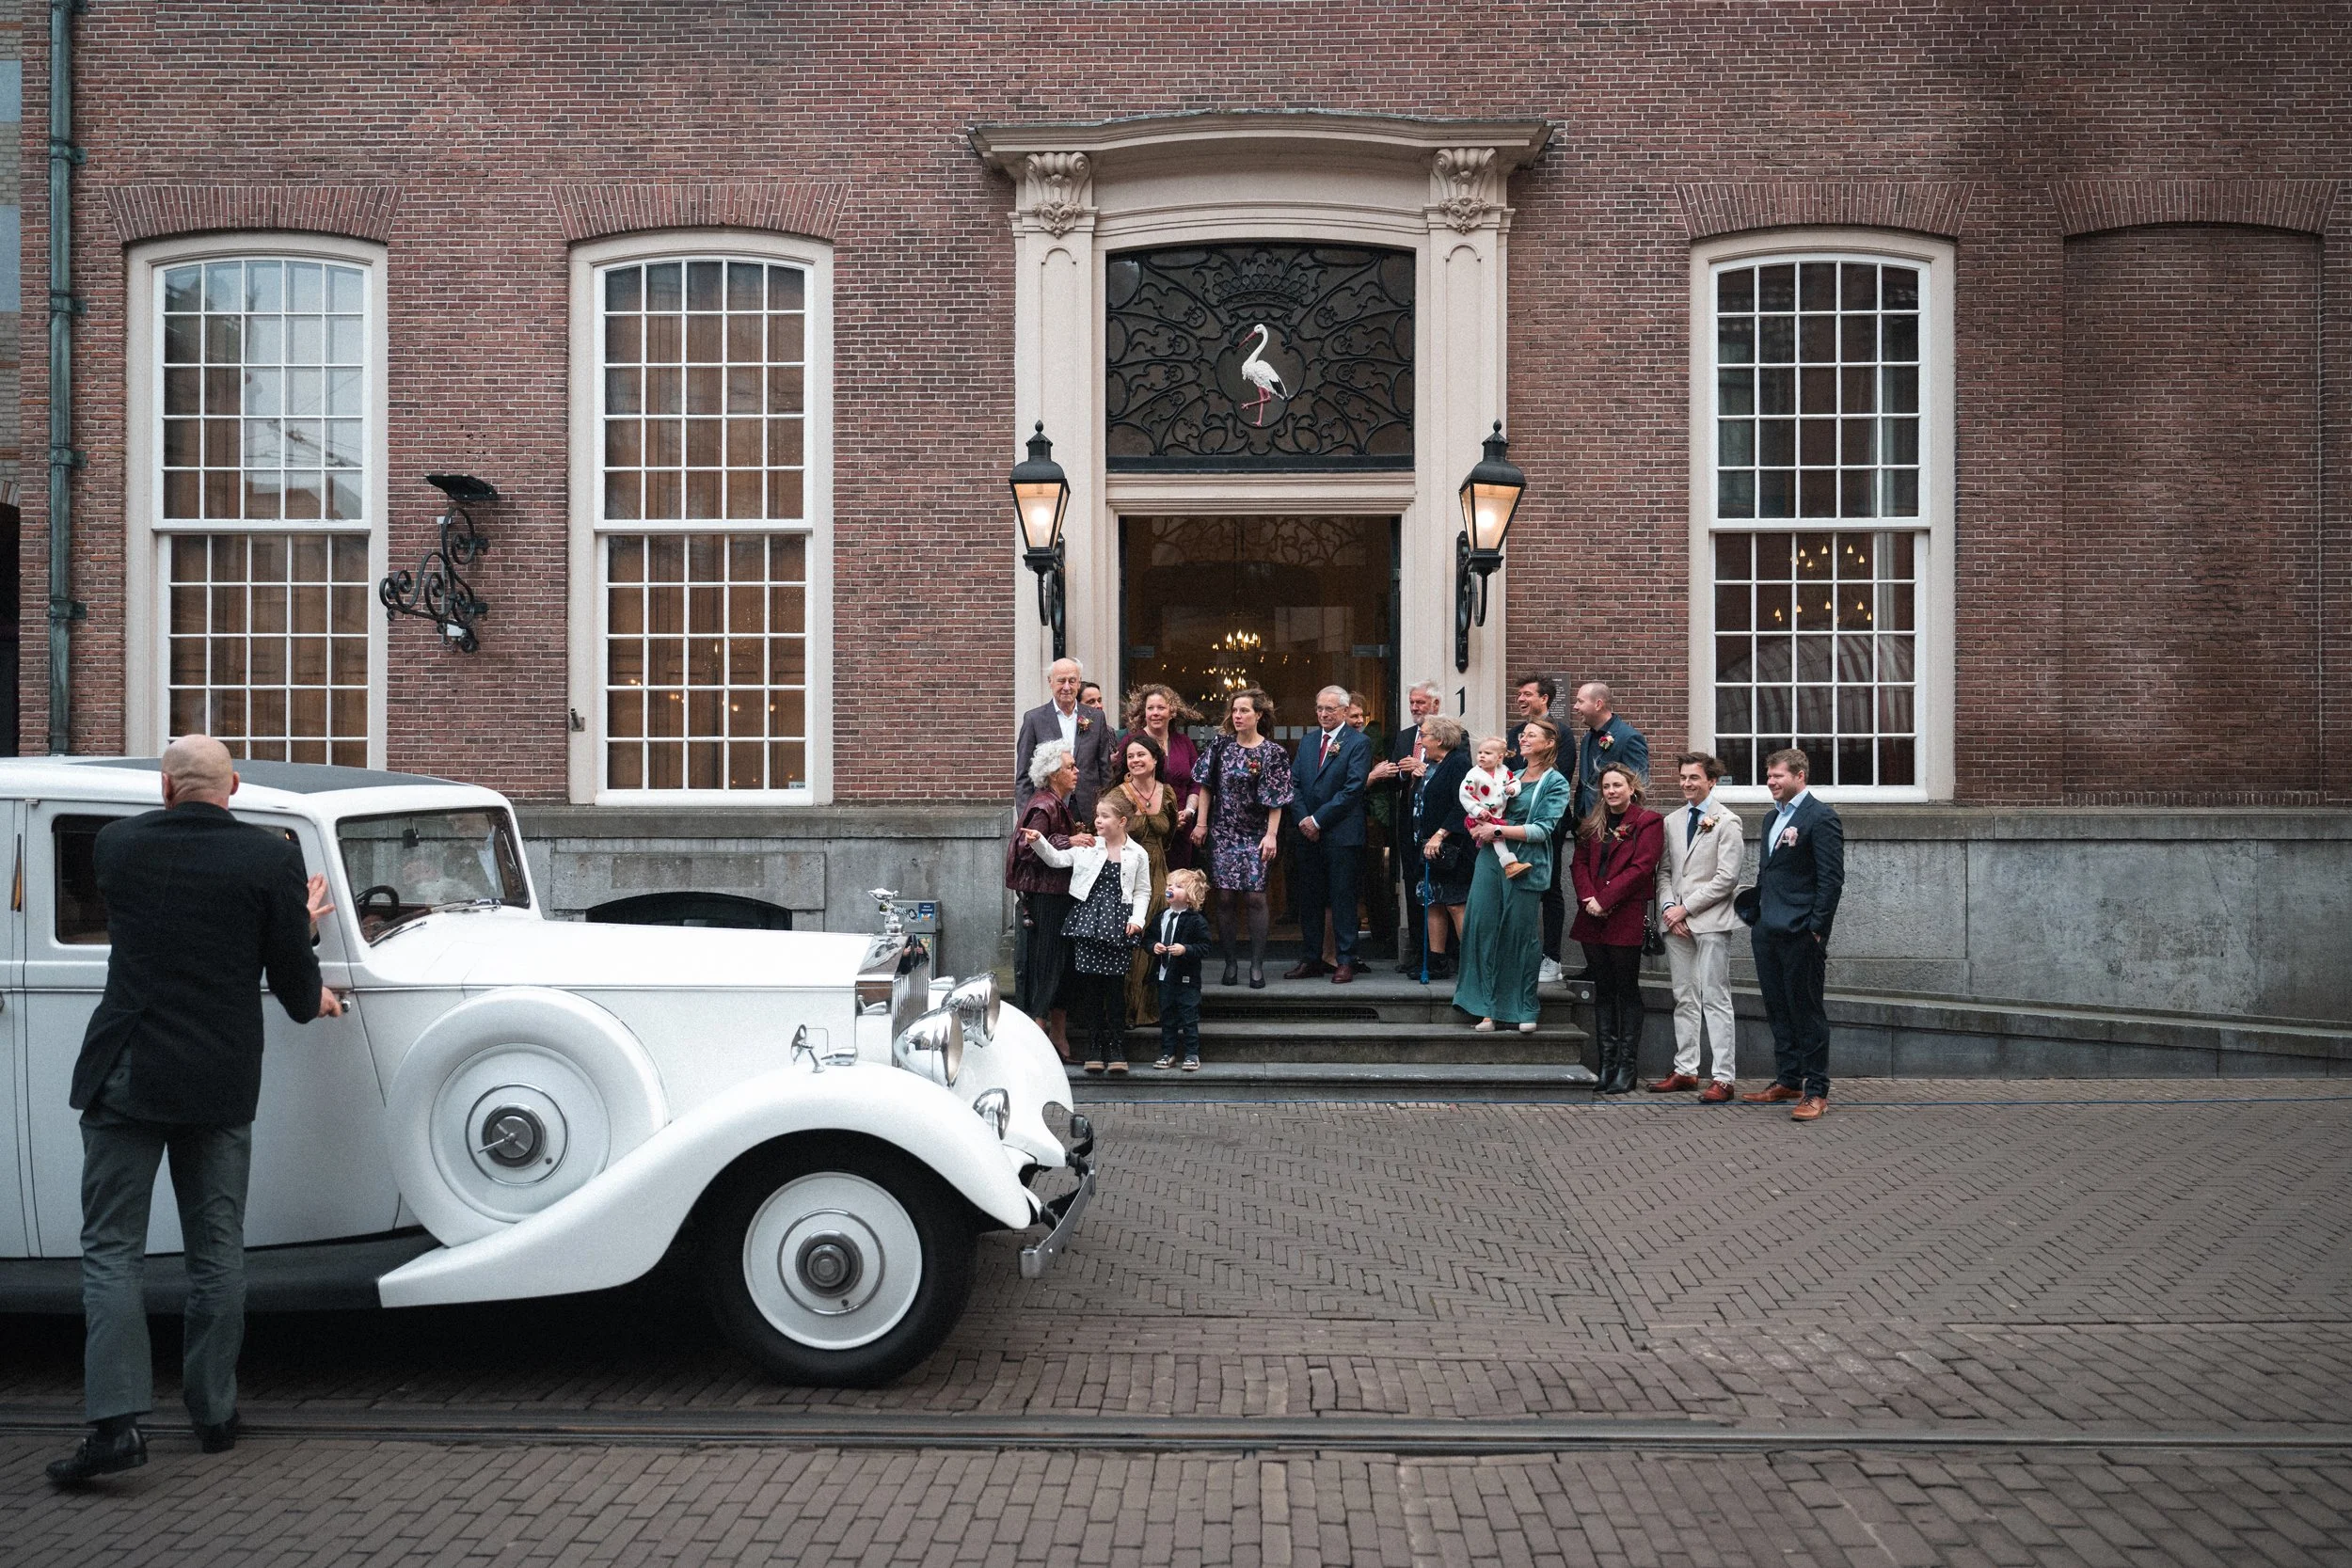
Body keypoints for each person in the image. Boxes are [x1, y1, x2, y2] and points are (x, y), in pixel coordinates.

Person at [47, 735, 345, 1487]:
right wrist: (301, 931)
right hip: (217, 1076)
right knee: (217, 1250)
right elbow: (290, 983)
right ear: (235, 785)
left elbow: (173, 928)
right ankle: (212, 1414)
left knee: (112, 1251)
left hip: (128, 1068)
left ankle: (115, 1427)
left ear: (165, 789)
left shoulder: (117, 846)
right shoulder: (270, 859)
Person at [1736, 748, 1845, 1122]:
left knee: (1807, 1011)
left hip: (1801, 932)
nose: (1770, 782)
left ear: (1800, 776)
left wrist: (1816, 929)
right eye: (1768, 776)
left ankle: (1816, 1090)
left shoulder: (1822, 817)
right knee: (1777, 1007)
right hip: (1767, 929)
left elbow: (1831, 880)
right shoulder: (1771, 819)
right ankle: (1788, 1079)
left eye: (1777, 776)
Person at [1453, 718, 1570, 1032]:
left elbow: (1543, 829)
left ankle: (1523, 1007)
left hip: (1526, 864)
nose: (1525, 738)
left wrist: (1498, 828)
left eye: (1532, 735)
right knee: (1481, 928)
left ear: (1548, 744)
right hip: (1490, 860)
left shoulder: (1555, 782)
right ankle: (1486, 1008)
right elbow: (1482, 804)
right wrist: (1480, 825)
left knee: (1519, 936)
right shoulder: (1509, 775)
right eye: (1523, 734)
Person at [1025, 794, 1152, 1075]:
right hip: (1088, 923)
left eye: (1104, 817)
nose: (1097, 821)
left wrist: (1138, 920)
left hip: (1119, 925)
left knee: (1116, 989)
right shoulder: (1088, 846)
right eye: (1097, 816)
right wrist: (1038, 841)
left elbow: (1143, 890)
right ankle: (1095, 1047)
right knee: (1092, 989)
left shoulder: (1138, 853)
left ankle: (1117, 1048)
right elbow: (1057, 860)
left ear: (1122, 821)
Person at [1650, 752, 1744, 1102]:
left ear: (1712, 781)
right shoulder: (1672, 821)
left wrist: (1687, 909)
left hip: (1711, 922)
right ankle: (1686, 1069)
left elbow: (1726, 878)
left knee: (1715, 997)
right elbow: (1664, 872)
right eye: (1683, 778)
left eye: (1694, 777)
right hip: (1676, 923)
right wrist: (1669, 908)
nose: (1687, 783)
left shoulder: (1727, 821)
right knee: (1684, 997)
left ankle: (1723, 1077)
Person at [1568, 760, 1666, 1095]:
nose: (1611, 792)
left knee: (1626, 988)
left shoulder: (1647, 822)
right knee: (1604, 989)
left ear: (1631, 788)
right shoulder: (1593, 822)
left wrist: (1606, 899)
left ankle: (1627, 1067)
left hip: (1624, 913)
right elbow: (1578, 862)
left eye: (1617, 786)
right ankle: (1607, 1065)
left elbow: (1642, 868)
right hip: (1591, 914)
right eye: (1606, 787)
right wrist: (1587, 898)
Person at [1190, 688, 1293, 988]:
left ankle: (1257, 965)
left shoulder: (1273, 753)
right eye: (1235, 711)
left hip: (1256, 832)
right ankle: (1231, 962)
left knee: (1255, 896)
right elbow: (1206, 785)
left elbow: (1277, 798)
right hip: (1223, 830)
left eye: (1245, 711)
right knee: (1223, 896)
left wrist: (1271, 835)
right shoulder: (1220, 746)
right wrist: (1202, 823)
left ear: (1258, 715)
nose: (1238, 716)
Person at [1006, 740, 1094, 1061]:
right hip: (1046, 898)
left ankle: (1056, 1036)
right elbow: (1027, 846)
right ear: (1053, 773)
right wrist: (1068, 840)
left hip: (1057, 896)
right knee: (1047, 966)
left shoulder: (1057, 803)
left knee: (1060, 966)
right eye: (1070, 767)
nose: (1076, 771)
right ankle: (1037, 1046)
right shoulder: (1044, 805)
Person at [1284, 685, 1375, 984]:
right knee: (1309, 898)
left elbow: (1352, 789)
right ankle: (1312, 958)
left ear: (1345, 711)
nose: (1323, 714)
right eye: (1320, 708)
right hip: (1307, 835)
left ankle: (1345, 959)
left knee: (1343, 898)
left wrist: (1318, 820)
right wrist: (1303, 820)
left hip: (1341, 834)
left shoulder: (1358, 743)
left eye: (1330, 709)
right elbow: (1293, 783)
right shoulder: (1308, 742)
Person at [1561, 681, 1649, 982]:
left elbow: (1639, 786)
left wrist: (1622, 829)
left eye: (1580, 701)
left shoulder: (1629, 737)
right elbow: (1584, 782)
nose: (1575, 707)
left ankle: (1614, 964)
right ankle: (1596, 963)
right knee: (1589, 892)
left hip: (1615, 831)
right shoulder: (1587, 739)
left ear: (1598, 704)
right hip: (1589, 828)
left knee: (1610, 893)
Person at [1371, 680, 1442, 972]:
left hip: (1436, 829)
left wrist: (1426, 769)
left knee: (1438, 893)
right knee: (1413, 887)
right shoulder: (1403, 737)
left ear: (1435, 705)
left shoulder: (1452, 733)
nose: (1414, 707)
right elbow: (1396, 778)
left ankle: (1440, 954)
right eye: (1412, 702)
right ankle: (1416, 950)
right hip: (1407, 826)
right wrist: (1400, 774)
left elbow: (1456, 772)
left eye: (1420, 703)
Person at [1113, 733, 1178, 1027]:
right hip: (1129, 877)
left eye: (1141, 755)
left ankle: (1151, 1009)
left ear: (1155, 760)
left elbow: (1171, 833)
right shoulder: (1117, 795)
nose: (1135, 760)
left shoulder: (1168, 793)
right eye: (1130, 756)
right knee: (1134, 944)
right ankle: (1127, 1010)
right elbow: (1104, 835)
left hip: (1159, 875)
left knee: (1157, 941)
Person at [1409, 715, 1474, 980]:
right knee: (1433, 900)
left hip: (1451, 847)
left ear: (1440, 738)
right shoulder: (1430, 764)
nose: (1421, 740)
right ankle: (1436, 960)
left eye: (1424, 735)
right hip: (1427, 847)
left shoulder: (1458, 763)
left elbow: (1462, 804)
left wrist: (1440, 834)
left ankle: (1470, 962)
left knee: (1455, 903)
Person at [1014, 657, 1115, 821]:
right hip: (1049, 810)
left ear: (1079, 682)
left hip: (1089, 810)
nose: (1067, 687)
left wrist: (1107, 811)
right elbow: (1024, 776)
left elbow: (1105, 771)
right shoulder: (1034, 719)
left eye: (1072, 681)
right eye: (1061, 681)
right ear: (1050, 682)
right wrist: (1027, 819)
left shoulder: (1096, 718)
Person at [1118, 685, 1202, 869]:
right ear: (1144, 712)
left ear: (1172, 712)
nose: (1155, 713)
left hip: (1181, 831)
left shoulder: (1184, 743)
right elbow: (1119, 784)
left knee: (1177, 887)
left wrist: (1189, 811)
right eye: (1150, 708)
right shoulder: (1132, 742)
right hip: (1144, 830)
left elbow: (1196, 783)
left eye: (1161, 708)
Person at [1150, 869, 1214, 1071]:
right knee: (1167, 1016)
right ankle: (1168, 1052)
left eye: (1178, 886)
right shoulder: (1161, 916)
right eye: (1170, 885)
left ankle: (1191, 1053)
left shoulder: (1196, 921)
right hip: (1164, 976)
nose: (1170, 889)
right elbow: (1148, 938)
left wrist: (1186, 949)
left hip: (1187, 978)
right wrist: (1153, 947)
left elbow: (1205, 947)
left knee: (1188, 1016)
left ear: (1190, 896)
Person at [1458, 735, 1526, 875]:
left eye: (1487, 753)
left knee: (1496, 838)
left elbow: (1515, 782)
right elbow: (1465, 795)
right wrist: (1477, 810)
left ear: (1499, 758)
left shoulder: (1504, 771)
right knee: (1497, 839)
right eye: (1480, 752)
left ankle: (1500, 865)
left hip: (1498, 814)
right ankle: (1510, 864)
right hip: (1480, 815)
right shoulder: (1474, 774)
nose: (1482, 756)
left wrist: (1513, 790)